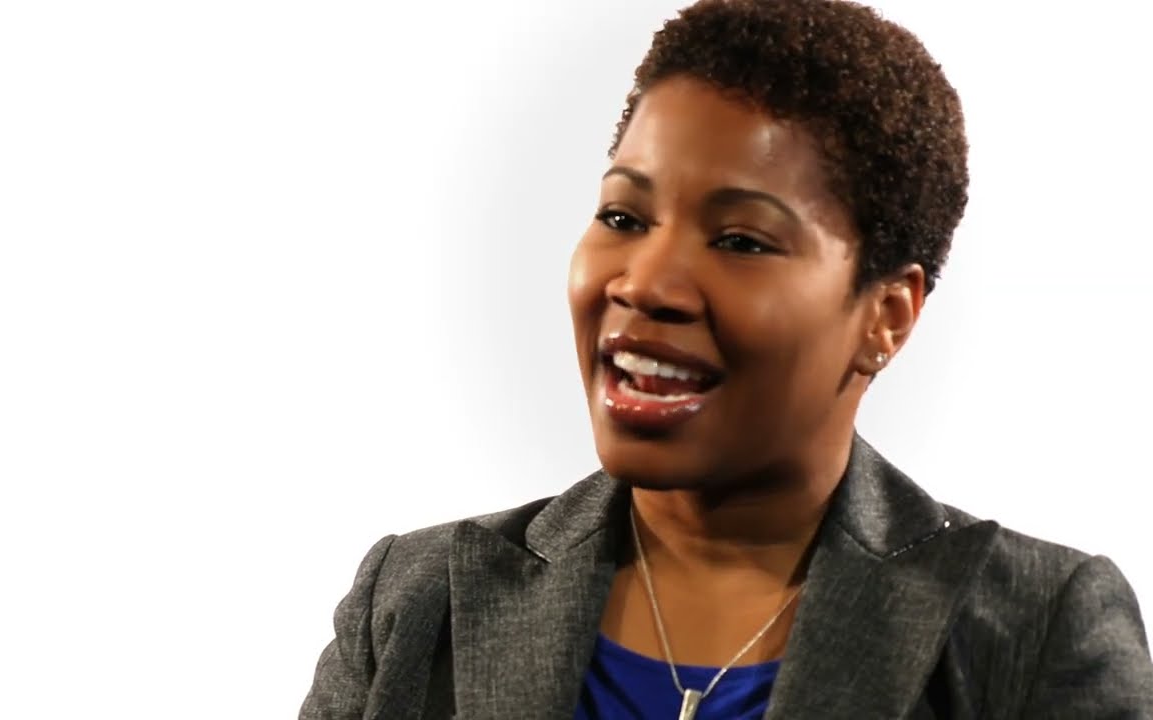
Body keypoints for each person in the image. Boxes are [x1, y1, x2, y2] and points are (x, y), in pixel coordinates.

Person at [299, 0, 1153, 717]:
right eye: (623, 218)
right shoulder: (417, 603)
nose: (645, 282)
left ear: (886, 316)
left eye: (741, 240)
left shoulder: (1035, 629)